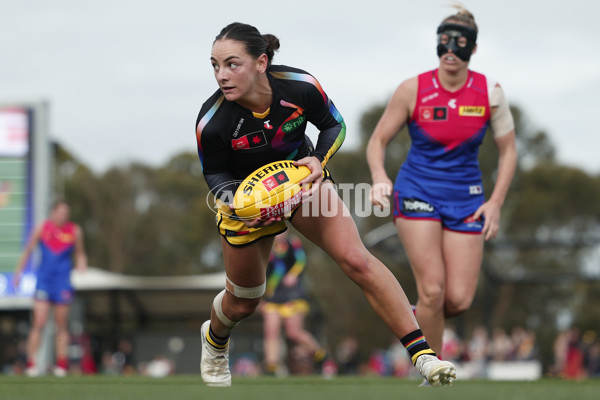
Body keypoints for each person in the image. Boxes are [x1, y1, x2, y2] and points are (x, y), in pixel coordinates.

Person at [195, 22, 456, 387]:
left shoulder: (300, 87)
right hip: (246, 204)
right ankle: (215, 340)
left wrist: (318, 158)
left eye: (232, 64)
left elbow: (334, 125)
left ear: (261, 62)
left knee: (356, 259)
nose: (221, 75)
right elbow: (215, 173)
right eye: (215, 65)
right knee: (245, 302)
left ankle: (423, 356)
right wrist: (238, 206)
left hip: (300, 181)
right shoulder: (213, 121)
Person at [366, 5, 517, 367]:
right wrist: (380, 177)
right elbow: (377, 141)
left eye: (460, 43)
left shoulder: (490, 92)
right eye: (444, 42)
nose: (450, 50)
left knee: (459, 300)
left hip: (467, 200)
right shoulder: (412, 89)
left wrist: (495, 202)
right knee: (433, 289)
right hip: (417, 192)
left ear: (473, 49)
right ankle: (430, 373)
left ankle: (414, 316)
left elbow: (509, 152)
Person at [13, 199, 88, 377]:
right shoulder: (42, 228)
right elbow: (28, 251)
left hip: (63, 282)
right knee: (39, 322)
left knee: (61, 325)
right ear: (53, 212)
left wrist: (82, 264)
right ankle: (31, 364)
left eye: (66, 213)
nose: (63, 216)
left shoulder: (74, 231)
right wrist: (18, 273)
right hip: (44, 281)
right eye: (60, 212)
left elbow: (80, 253)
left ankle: (61, 364)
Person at [260, 231, 325, 375]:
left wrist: (293, 275)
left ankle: (319, 354)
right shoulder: (266, 247)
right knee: (271, 332)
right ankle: (271, 367)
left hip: (292, 294)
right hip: (272, 296)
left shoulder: (293, 243)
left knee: (293, 333)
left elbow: (301, 260)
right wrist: (262, 298)